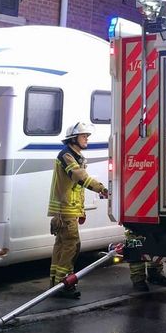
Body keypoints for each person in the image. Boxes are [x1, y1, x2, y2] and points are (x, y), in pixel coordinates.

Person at [47, 121, 109, 299]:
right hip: (66, 209)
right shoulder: (67, 155)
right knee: (72, 245)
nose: (87, 139)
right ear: (73, 139)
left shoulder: (73, 155)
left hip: (68, 209)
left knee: (62, 245)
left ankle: (55, 283)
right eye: (84, 136)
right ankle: (64, 284)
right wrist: (101, 188)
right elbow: (79, 177)